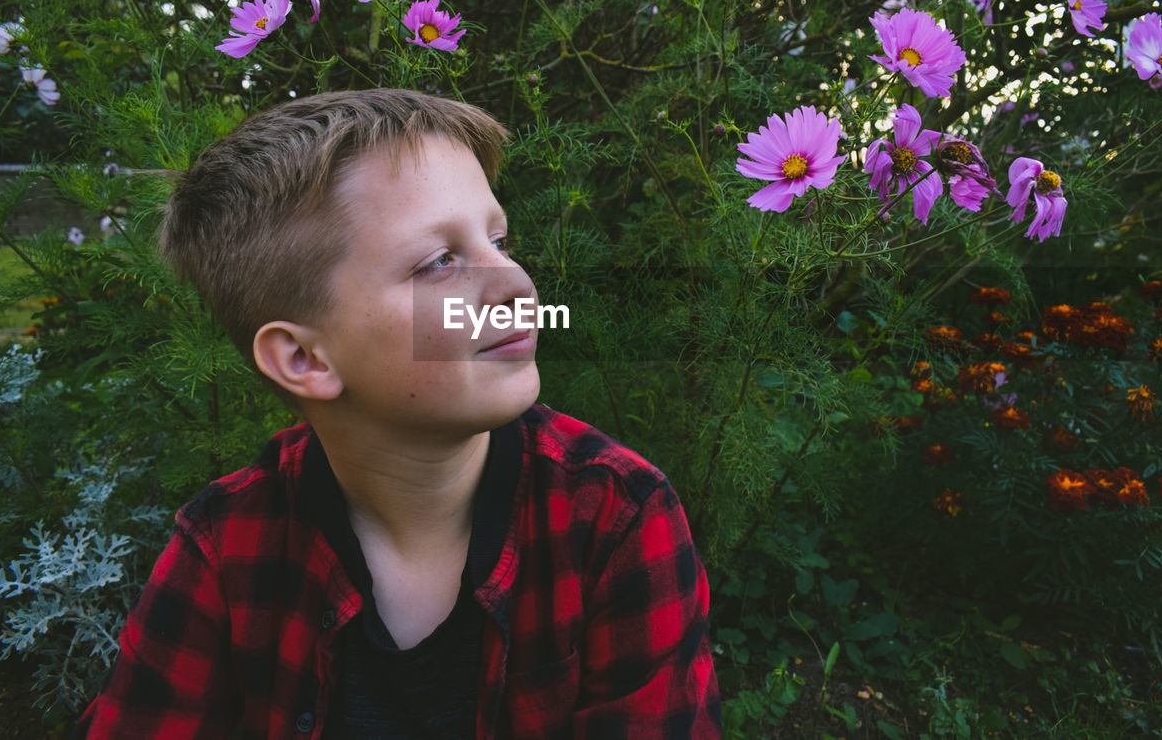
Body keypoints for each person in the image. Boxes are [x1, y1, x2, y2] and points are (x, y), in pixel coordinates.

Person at [73, 89, 720, 738]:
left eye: (499, 238)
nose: (518, 284)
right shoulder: (226, 548)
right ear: (304, 358)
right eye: (439, 262)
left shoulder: (615, 516)